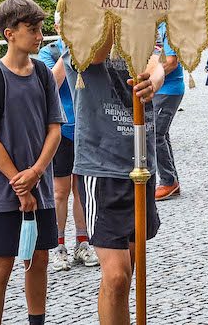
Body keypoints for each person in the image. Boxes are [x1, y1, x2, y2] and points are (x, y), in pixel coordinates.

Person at [0, 0, 65, 325]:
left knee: (39, 260)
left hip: (41, 189)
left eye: (40, 30)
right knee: (2, 266)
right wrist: (19, 183)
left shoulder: (43, 74)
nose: (40, 36)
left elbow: (55, 129)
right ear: (10, 33)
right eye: (33, 30)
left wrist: (36, 174)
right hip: (1, 190)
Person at [63, 23, 163, 325]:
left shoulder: (140, 17)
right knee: (117, 276)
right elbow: (94, 55)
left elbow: (156, 62)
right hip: (100, 166)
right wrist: (113, 13)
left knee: (130, 269)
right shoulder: (79, 24)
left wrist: (153, 82)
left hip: (141, 161)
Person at [36, 12, 98, 271]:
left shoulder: (91, 49)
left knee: (82, 191)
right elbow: (52, 82)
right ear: (58, 27)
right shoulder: (49, 53)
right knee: (60, 192)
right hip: (62, 131)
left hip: (85, 128)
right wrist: (68, 50)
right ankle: (58, 246)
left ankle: (82, 243)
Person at [154, 21, 186, 201]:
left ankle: (168, 182)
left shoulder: (170, 28)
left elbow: (171, 62)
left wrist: (149, 79)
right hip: (159, 89)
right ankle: (171, 181)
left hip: (168, 89)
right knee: (161, 135)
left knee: (155, 135)